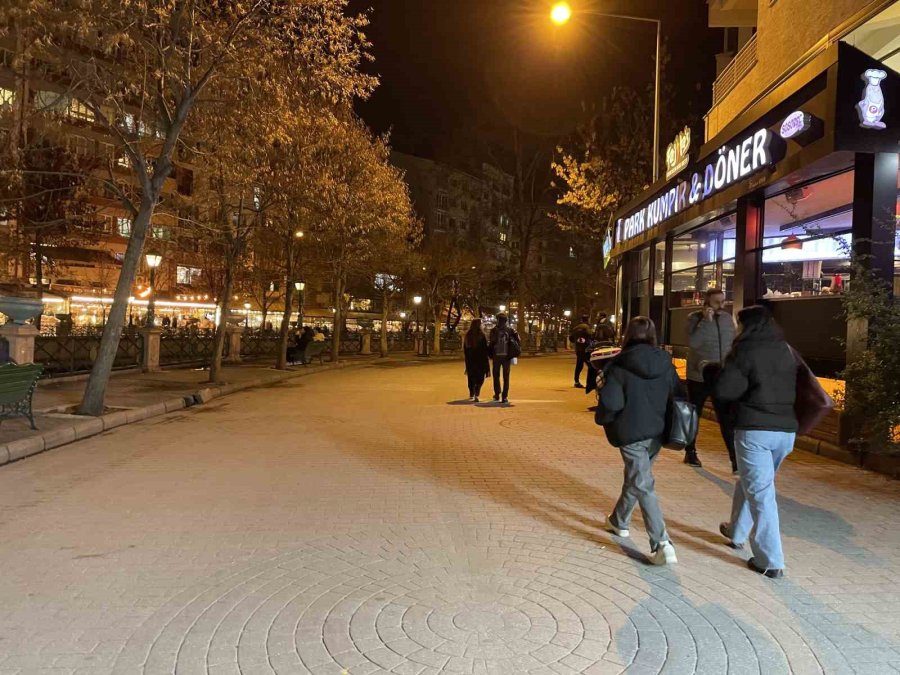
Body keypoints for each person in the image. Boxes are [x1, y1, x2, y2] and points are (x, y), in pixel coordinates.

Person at [716, 305, 798, 579]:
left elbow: (727, 390)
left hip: (755, 431)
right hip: (785, 431)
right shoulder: (785, 349)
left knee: (761, 492)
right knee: (753, 481)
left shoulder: (744, 350)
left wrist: (718, 370)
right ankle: (736, 531)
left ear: (746, 325)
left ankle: (770, 560)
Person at [596, 316, 681, 566]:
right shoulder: (665, 362)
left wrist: (604, 416)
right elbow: (678, 394)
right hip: (657, 430)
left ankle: (662, 543)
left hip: (630, 432)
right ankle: (619, 520)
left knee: (642, 482)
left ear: (627, 334)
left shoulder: (618, 364)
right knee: (638, 477)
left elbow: (612, 403)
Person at [684, 288, 737, 470]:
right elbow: (694, 343)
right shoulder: (694, 318)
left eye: (723, 301)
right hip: (698, 376)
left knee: (726, 417)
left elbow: (733, 342)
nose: (721, 305)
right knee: (694, 414)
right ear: (706, 302)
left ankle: (734, 459)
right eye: (717, 302)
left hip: (721, 375)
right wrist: (706, 322)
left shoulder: (727, 319)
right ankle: (690, 451)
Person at [488, 313, 519, 404]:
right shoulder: (510, 330)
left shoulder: (494, 330)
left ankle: (497, 394)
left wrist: (490, 354)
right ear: (506, 321)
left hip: (496, 356)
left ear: (497, 320)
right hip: (507, 356)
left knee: (496, 376)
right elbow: (517, 341)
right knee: (506, 377)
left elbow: (491, 343)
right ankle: (504, 396)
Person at [463, 319, 490, 402]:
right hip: (480, 359)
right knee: (480, 378)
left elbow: (465, 348)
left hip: (470, 359)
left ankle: (471, 393)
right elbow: (485, 349)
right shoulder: (481, 335)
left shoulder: (468, 335)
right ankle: (477, 393)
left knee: (471, 377)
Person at [570, 315, 592, 388]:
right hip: (586, 349)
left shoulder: (576, 328)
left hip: (578, 349)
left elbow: (571, 338)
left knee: (579, 365)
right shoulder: (587, 327)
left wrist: (577, 342)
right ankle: (591, 383)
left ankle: (576, 381)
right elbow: (591, 336)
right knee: (591, 366)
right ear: (587, 320)